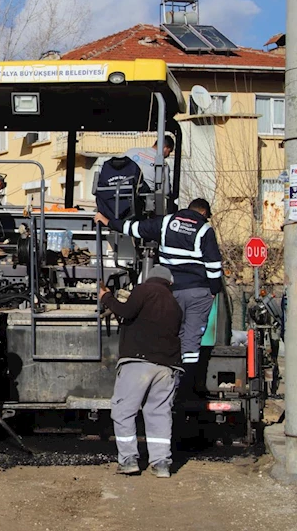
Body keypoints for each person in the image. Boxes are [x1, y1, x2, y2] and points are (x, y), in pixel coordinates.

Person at [95, 198, 223, 398]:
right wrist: (214, 290)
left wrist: (107, 221)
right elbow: (214, 266)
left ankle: (168, 383)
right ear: (204, 213)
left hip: (172, 291)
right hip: (199, 291)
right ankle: (185, 388)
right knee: (191, 340)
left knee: (172, 333)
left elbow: (135, 228)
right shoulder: (205, 230)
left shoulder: (166, 222)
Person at [100, 265, 183, 478]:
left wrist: (106, 298)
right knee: (158, 413)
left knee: (123, 410)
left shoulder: (144, 290)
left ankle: (128, 460)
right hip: (167, 367)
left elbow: (126, 311)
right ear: (169, 283)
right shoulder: (174, 304)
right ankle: (161, 463)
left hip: (138, 362)